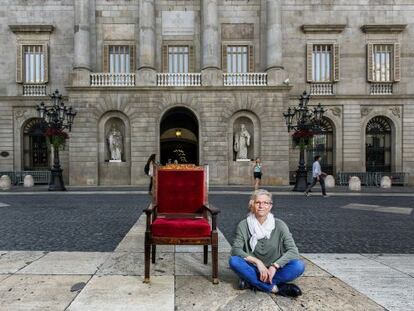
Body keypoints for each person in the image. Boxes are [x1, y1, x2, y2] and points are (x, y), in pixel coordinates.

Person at [229, 189, 305, 297]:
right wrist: (257, 262)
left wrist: (275, 266)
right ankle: (276, 288)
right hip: (253, 268)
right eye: (258, 202)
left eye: (265, 203)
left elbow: (293, 251)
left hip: (274, 270)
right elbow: (235, 250)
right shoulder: (244, 225)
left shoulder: (280, 225)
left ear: (270, 206)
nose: (261, 206)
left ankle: (251, 282)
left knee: (298, 265)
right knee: (234, 261)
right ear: (252, 205)